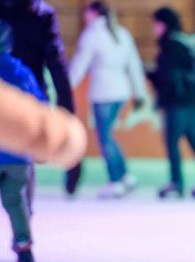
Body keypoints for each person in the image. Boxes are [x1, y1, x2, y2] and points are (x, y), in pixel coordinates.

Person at [0, 0, 84, 197]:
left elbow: (57, 66)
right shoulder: (39, 13)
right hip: (24, 103)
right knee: (20, 170)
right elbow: (57, 66)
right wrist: (66, 125)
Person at [0, 21, 45, 262]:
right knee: (16, 202)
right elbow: (38, 108)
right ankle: (25, 251)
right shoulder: (21, 72)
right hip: (16, 153)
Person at [70, 1, 146, 199]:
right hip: (121, 91)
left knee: (105, 137)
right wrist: (139, 92)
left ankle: (116, 180)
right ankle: (124, 175)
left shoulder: (92, 35)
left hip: (103, 93)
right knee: (108, 135)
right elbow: (134, 65)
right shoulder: (121, 34)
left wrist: (66, 86)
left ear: (93, 14)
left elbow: (80, 64)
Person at [149, 7, 195, 200]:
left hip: (179, 101)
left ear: (163, 24)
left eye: (156, 23)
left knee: (172, 141)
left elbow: (169, 76)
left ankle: (177, 182)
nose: (154, 28)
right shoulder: (183, 42)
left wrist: (155, 81)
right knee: (194, 140)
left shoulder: (171, 45)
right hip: (194, 99)